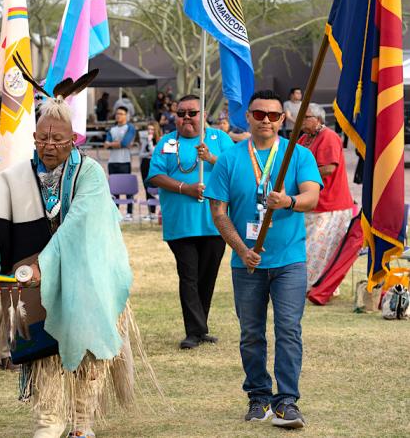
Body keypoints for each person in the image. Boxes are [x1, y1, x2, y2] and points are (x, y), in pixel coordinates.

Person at [0, 94, 138, 438]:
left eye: (57, 139)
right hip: (35, 289)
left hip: (86, 282)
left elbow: (78, 224)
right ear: (34, 138)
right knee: (43, 363)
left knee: (87, 361)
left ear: (73, 140)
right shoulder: (16, 178)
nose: (49, 145)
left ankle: (82, 425)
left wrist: (44, 261)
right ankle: (48, 426)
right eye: (42, 138)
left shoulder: (90, 174)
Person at [205, 90, 322, 429]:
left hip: (289, 261)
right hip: (247, 264)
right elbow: (218, 211)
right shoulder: (229, 158)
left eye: (273, 115)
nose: (266, 121)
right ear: (248, 117)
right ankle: (258, 396)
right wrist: (242, 250)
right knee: (251, 334)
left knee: (288, 330)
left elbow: (312, 196)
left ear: (283, 119)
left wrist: (288, 201)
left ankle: (286, 401)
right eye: (259, 114)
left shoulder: (296, 155)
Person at [147, 95, 234, 349]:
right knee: (189, 276)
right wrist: (186, 188)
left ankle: (200, 327)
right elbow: (156, 176)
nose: (186, 118)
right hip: (181, 225)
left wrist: (212, 160)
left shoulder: (219, 139)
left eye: (192, 113)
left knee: (207, 277)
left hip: (215, 223)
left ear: (203, 114)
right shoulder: (167, 142)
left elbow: (237, 170)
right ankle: (193, 332)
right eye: (181, 113)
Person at [297, 103, 354, 290]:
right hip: (310, 203)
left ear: (318, 119)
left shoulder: (329, 137)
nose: (301, 121)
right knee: (306, 247)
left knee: (315, 250)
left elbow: (329, 168)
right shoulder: (304, 138)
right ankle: (320, 286)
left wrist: (301, 175)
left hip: (331, 205)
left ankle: (311, 286)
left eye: (305, 117)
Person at [105, 106, 137, 221]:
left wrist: (112, 144)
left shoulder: (130, 128)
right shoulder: (111, 129)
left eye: (121, 113)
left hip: (125, 161)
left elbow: (125, 143)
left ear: (126, 115)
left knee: (127, 188)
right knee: (114, 189)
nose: (118, 115)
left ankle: (129, 212)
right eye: (117, 113)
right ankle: (115, 212)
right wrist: (116, 144)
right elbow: (105, 144)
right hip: (112, 162)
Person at [138, 121, 161, 221]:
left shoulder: (160, 140)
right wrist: (149, 153)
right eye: (148, 129)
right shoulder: (145, 141)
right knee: (147, 188)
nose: (150, 132)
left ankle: (159, 211)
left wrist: (150, 142)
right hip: (145, 164)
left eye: (152, 129)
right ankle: (151, 213)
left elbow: (154, 152)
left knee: (155, 187)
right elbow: (141, 154)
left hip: (154, 165)